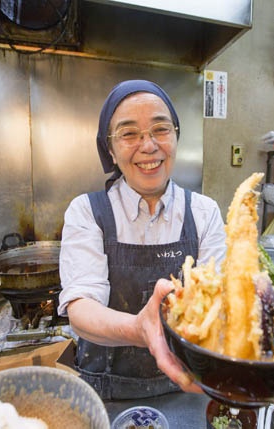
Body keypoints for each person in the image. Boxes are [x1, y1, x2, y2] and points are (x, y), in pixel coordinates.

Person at [57, 80, 227, 400]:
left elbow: (218, 301)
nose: (148, 146)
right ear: (109, 148)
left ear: (176, 136)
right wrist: (139, 329)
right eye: (129, 133)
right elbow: (81, 308)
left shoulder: (205, 213)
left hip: (187, 385)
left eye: (161, 129)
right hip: (104, 391)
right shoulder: (87, 212)